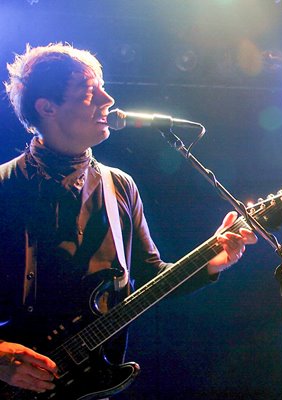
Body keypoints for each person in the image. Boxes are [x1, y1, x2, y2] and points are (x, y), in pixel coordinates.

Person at [0, 43, 257, 397]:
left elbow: (151, 277)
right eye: (91, 92)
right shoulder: (4, 187)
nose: (108, 101)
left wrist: (215, 260)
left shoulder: (119, 186)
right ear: (47, 107)